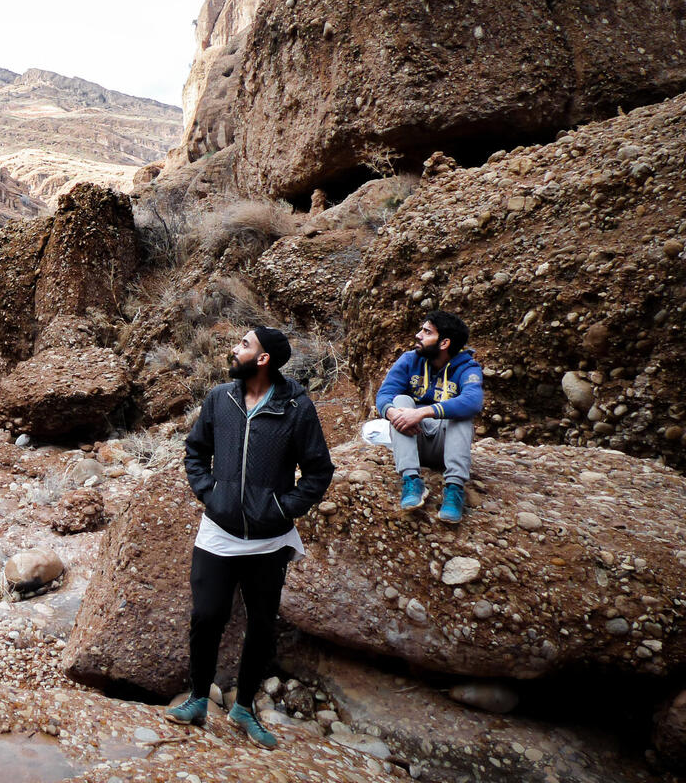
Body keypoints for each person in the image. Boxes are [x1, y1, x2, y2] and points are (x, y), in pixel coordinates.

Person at [165, 327, 334, 749]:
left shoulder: (296, 407)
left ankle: (243, 707)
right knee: (207, 616)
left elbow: (318, 471)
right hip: (218, 532)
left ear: (263, 360)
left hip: (269, 540)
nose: (234, 349)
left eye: (244, 344)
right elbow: (195, 451)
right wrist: (210, 493)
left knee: (261, 624)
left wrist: (280, 508)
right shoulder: (219, 399)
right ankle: (199, 698)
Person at [375, 310, 484, 523]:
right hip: (415, 440)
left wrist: (422, 412)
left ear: (444, 343)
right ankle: (411, 480)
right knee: (399, 402)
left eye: (426, 332)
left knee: (462, 415)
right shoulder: (409, 361)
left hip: (447, 445)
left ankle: (454, 488)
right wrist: (393, 413)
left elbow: (473, 401)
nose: (418, 335)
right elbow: (384, 395)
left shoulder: (468, 368)